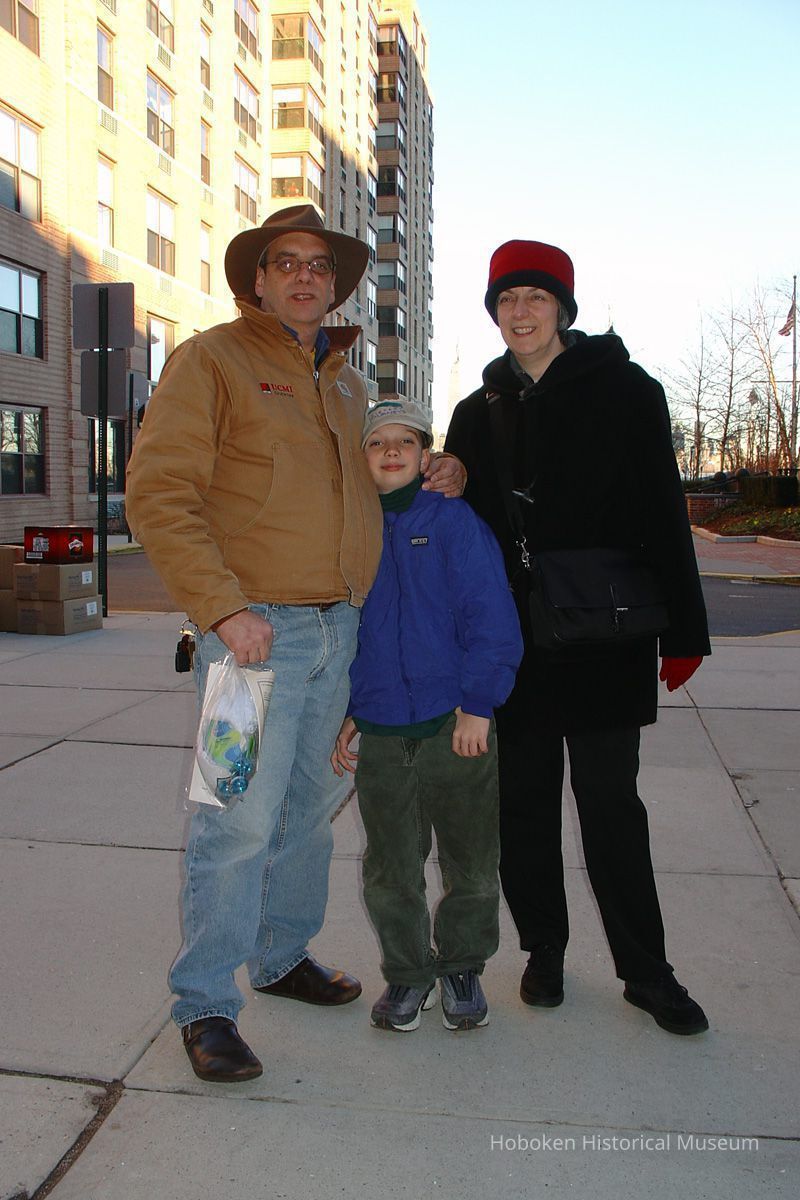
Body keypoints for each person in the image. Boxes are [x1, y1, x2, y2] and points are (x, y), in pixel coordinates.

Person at [126, 205, 464, 1082]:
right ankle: (205, 1004)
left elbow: (375, 499)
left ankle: (281, 957)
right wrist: (221, 609)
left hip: (340, 634)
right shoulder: (212, 361)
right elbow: (160, 493)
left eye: (321, 264)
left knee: (312, 812)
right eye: (287, 262)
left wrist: (436, 469)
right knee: (232, 821)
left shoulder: (348, 386)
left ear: (337, 283)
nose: (307, 276)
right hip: (250, 639)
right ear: (259, 279)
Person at [444, 239, 712, 1036]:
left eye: (535, 297)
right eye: (506, 300)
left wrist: (684, 630)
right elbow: (456, 534)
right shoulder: (475, 410)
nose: (520, 312)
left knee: (610, 806)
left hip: (605, 635)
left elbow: (665, 507)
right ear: (494, 313)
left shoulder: (628, 390)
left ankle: (646, 969)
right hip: (513, 644)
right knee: (522, 806)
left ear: (563, 307)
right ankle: (545, 949)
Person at [331, 399, 523, 1032]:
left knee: (470, 860)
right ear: (360, 458)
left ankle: (463, 966)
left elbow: (491, 618)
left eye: (404, 442)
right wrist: (355, 711)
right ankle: (409, 975)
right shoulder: (349, 529)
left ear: (426, 455)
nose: (390, 451)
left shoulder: (452, 522)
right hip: (384, 732)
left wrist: (478, 706)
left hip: (454, 726)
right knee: (390, 869)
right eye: (377, 442)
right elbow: (349, 631)